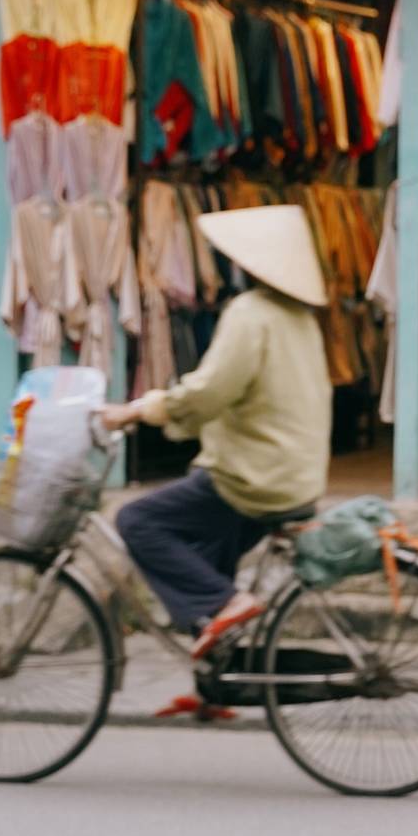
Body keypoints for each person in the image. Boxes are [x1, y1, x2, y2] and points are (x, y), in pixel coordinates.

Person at [100, 203, 332, 658]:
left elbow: (209, 392)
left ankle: (229, 601)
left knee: (138, 521)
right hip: (294, 476)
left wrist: (139, 411)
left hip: (252, 479)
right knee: (202, 563)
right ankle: (216, 683)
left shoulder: (250, 313)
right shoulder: (299, 317)